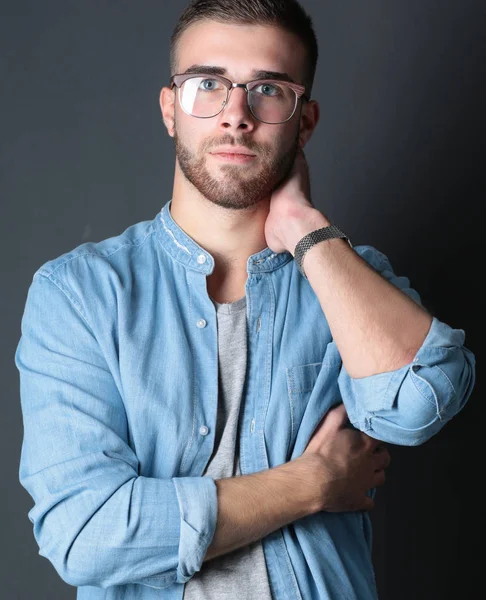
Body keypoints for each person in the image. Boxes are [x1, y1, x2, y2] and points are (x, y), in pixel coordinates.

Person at [15, 1, 476, 599]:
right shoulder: (79, 294)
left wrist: (306, 233)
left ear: (304, 122)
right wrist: (314, 481)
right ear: (170, 111)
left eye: (268, 89)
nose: (236, 115)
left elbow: (421, 406)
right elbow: (86, 535)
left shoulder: (349, 280)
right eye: (206, 84)